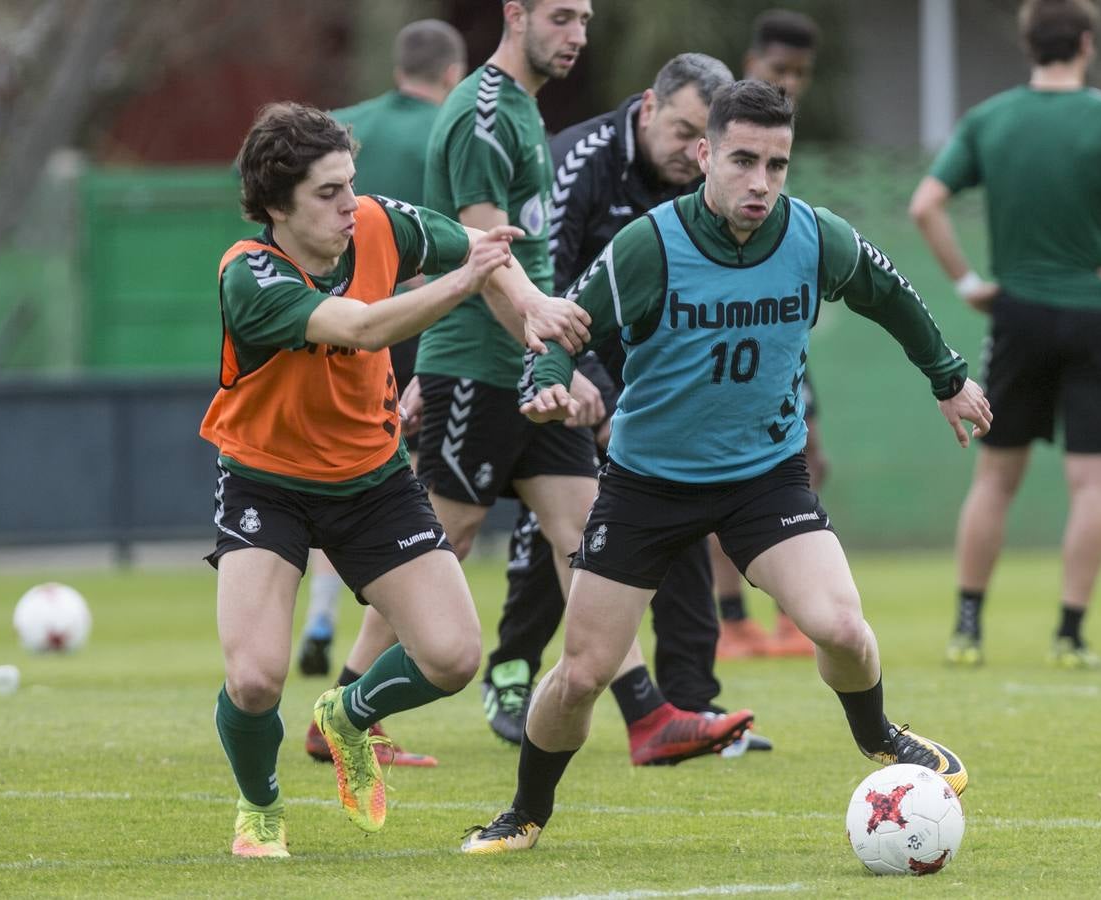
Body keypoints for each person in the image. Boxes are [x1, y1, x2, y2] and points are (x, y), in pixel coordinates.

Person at [461, 79, 990, 854]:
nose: (760, 182)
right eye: (742, 160)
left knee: (842, 626)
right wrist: (544, 385)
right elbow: (563, 328)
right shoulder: (651, 243)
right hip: (646, 484)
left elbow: (888, 293)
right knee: (581, 675)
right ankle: (525, 812)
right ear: (704, 155)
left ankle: (878, 734)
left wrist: (949, 378)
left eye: (776, 164)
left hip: (763, 480)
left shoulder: (813, 235)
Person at [202, 100, 586, 858]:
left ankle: (347, 713)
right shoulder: (249, 275)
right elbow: (361, 326)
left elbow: (483, 245)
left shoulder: (377, 222)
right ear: (277, 206)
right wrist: (466, 284)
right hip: (265, 482)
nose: (351, 205)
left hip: (371, 480)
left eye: (351, 183)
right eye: (327, 192)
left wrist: (532, 304)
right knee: (253, 681)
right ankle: (261, 807)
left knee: (451, 657)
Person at [477, 53, 763, 764]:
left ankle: (694, 701)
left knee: (688, 515)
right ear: (646, 106)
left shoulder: (714, 182)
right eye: (681, 130)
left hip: (657, 384)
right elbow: (548, 279)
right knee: (569, 528)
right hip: (556, 359)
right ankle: (511, 672)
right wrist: (583, 378)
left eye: (707, 139)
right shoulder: (578, 164)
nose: (690, 151)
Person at [909, 0, 1101, 669]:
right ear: (1086, 43)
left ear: (1028, 43)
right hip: (1098, 315)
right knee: (1090, 485)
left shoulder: (989, 119)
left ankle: (968, 629)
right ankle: (1069, 634)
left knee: (996, 479)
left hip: (1018, 315)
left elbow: (925, 205)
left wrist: (971, 283)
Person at [295, 18, 468, 771]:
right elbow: (440, 248)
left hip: (319, 342)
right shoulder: (454, 129)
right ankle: (349, 706)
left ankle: (328, 632)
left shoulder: (345, 129)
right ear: (452, 72)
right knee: (433, 522)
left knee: (356, 495)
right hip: (414, 345)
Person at [714, 7, 825, 660]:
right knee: (719, 467)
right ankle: (731, 619)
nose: (791, 82)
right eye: (780, 69)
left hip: (782, 327)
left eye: (800, 73)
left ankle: (789, 614)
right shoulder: (731, 125)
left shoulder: (782, 136)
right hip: (724, 323)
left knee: (805, 454)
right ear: (753, 63)